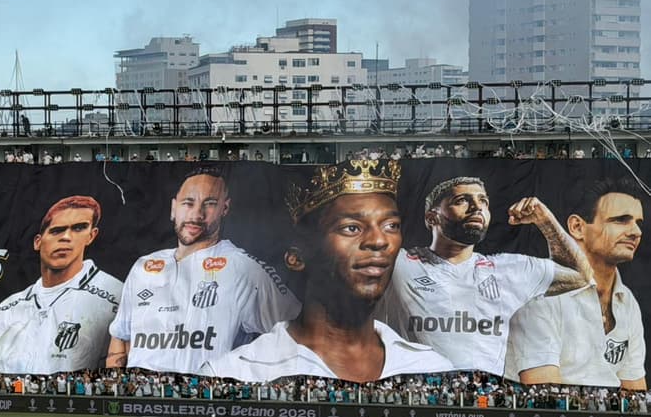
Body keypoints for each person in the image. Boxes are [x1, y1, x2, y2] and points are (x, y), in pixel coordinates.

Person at [202, 160, 452, 382]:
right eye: (351, 228)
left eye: (391, 225)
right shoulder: (235, 374)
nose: (379, 241)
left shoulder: (432, 369)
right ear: (297, 257)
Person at [381, 176, 592, 375]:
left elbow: (581, 276)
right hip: (416, 394)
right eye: (462, 200)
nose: (477, 207)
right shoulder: (400, 264)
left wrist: (546, 221)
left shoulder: (507, 269)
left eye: (483, 201)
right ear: (431, 217)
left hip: (483, 398)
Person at [106, 166, 301, 374]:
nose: (196, 214)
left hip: (205, 401)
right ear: (174, 208)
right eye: (188, 203)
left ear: (225, 208)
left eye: (209, 204)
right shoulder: (144, 266)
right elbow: (120, 334)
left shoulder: (242, 267)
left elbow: (297, 335)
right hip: (143, 401)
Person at [505, 177, 646, 389]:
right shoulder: (540, 295)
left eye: (638, 222)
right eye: (620, 220)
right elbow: (546, 395)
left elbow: (634, 389)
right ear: (577, 226)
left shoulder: (627, 301)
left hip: (608, 416)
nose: (636, 232)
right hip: (560, 416)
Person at [0, 195, 122, 374]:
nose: (66, 237)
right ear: (38, 242)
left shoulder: (115, 296)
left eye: (79, 228)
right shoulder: (9, 308)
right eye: (57, 230)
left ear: (91, 235)